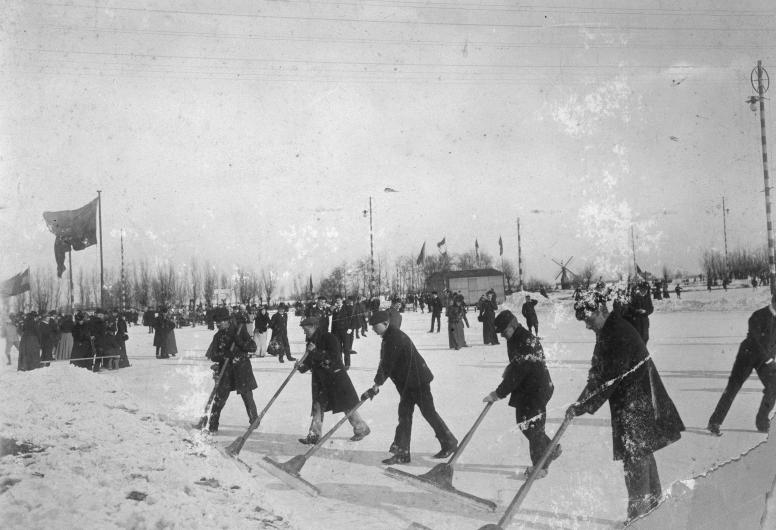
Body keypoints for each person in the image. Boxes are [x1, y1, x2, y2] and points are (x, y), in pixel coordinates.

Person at [566, 289, 684, 522]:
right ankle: (653, 514)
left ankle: (638, 520)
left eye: (588, 319)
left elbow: (608, 377)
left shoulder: (617, 332)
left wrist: (581, 406)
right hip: (635, 402)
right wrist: (580, 402)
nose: (587, 325)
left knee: (635, 460)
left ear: (601, 311)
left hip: (637, 405)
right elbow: (598, 370)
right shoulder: (608, 330)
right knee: (641, 455)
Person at [362, 310, 458, 465]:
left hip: (417, 381)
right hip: (409, 382)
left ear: (385, 323)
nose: (373, 329)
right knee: (407, 415)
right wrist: (376, 385)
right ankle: (405, 451)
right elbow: (386, 363)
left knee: (424, 413)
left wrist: (376, 385)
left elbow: (386, 364)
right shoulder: (389, 336)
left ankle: (446, 442)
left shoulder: (394, 337)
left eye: (375, 326)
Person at [483, 310, 559, 478]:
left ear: (513, 325)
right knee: (524, 423)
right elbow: (517, 364)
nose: (502, 335)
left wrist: (498, 393)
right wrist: (509, 368)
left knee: (532, 426)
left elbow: (520, 371)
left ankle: (540, 467)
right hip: (527, 387)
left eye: (504, 331)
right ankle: (551, 449)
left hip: (537, 388)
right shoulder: (515, 338)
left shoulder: (526, 340)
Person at [707, 292, 776, 435]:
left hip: (766, 359)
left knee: (774, 386)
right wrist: (769, 359)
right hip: (747, 356)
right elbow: (756, 341)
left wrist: (772, 357)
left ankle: (762, 422)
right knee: (733, 387)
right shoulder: (758, 315)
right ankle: (715, 422)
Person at [296, 316, 371, 444]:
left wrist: (316, 351)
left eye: (306, 329)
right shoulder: (311, 342)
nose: (304, 332)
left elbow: (334, 358)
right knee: (317, 406)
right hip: (320, 380)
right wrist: (301, 367)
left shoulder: (329, 338)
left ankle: (362, 428)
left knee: (346, 405)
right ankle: (314, 435)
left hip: (335, 378)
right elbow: (309, 361)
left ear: (314, 327)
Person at [205, 307, 259, 433]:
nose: (218, 324)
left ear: (227, 321)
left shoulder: (239, 331)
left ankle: (254, 421)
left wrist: (240, 342)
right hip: (226, 371)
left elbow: (252, 347)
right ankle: (212, 425)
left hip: (242, 369)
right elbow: (213, 356)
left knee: (247, 397)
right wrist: (224, 355)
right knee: (219, 398)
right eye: (216, 322)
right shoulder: (217, 336)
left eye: (220, 321)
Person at [330, 295, 354, 369]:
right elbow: (333, 322)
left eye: (339, 300)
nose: (338, 302)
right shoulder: (335, 309)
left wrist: (351, 328)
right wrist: (332, 332)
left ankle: (347, 364)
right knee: (338, 348)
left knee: (346, 348)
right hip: (336, 332)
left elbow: (352, 318)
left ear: (342, 300)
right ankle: (340, 363)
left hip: (345, 331)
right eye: (336, 300)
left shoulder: (347, 308)